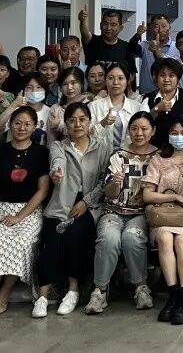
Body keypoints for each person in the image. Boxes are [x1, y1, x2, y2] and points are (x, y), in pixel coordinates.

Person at [33, 102, 113, 317]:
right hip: (62, 202)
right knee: (52, 238)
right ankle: (42, 296)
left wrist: (86, 202)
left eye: (82, 119)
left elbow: (105, 180)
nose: (77, 124)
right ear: (66, 124)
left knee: (76, 235)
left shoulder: (102, 146)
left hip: (89, 204)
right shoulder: (59, 146)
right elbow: (57, 162)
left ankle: (73, 290)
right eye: (72, 120)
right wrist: (56, 172)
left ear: (90, 122)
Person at [0, 107, 51, 316]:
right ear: (10, 124)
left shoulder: (42, 153)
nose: (22, 128)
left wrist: (19, 217)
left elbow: (43, 190)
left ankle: (5, 292)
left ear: (35, 127)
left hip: (28, 210)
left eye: (27, 124)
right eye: (17, 123)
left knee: (21, 242)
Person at [86, 111, 159, 315]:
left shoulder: (158, 157)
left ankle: (141, 287)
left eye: (144, 129)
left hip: (141, 214)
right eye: (134, 129)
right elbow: (109, 193)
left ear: (153, 131)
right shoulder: (118, 155)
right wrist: (115, 184)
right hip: (113, 210)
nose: (139, 133)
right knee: (108, 239)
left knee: (132, 238)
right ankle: (100, 291)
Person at [141, 117, 183, 324]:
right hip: (163, 213)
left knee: (181, 240)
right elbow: (147, 195)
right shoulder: (158, 160)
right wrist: (175, 196)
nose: (179, 137)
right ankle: (173, 294)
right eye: (174, 133)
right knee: (165, 237)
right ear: (168, 135)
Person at [139, 59, 183, 148]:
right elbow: (141, 126)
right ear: (156, 78)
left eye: (171, 75)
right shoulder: (148, 99)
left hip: (181, 150)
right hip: (153, 150)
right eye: (162, 75)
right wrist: (156, 109)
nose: (166, 79)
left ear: (178, 78)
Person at [88, 63, 143, 149]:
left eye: (120, 78)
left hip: (129, 155)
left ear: (127, 81)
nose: (115, 82)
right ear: (105, 81)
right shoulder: (94, 106)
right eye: (111, 78)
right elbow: (86, 136)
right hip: (100, 155)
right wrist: (103, 123)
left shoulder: (136, 107)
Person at [0, 15, 39, 95]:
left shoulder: (41, 78)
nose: (26, 62)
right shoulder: (12, 75)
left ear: (38, 60)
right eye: (22, 59)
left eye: (30, 59)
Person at [0, 73, 51, 146]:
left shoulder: (50, 112)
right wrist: (14, 105)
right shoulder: (16, 109)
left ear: (45, 90)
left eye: (39, 87)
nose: (34, 91)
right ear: (23, 90)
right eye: (29, 87)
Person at [80, 7, 138, 73]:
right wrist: (83, 21)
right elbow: (84, 33)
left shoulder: (127, 48)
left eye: (113, 24)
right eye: (105, 24)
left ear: (120, 28)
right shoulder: (92, 42)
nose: (108, 28)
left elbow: (132, 75)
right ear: (100, 25)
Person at [134, 15, 179, 95]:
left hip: (169, 94)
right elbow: (132, 49)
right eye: (156, 27)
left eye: (164, 26)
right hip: (146, 93)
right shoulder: (145, 45)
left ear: (169, 28)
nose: (160, 30)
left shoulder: (177, 47)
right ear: (151, 28)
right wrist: (137, 35)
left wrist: (157, 51)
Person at [46, 67, 89, 141]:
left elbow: (89, 132)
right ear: (60, 88)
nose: (69, 87)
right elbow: (51, 140)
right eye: (65, 84)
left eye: (73, 83)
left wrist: (59, 125)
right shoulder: (55, 109)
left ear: (81, 84)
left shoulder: (90, 105)